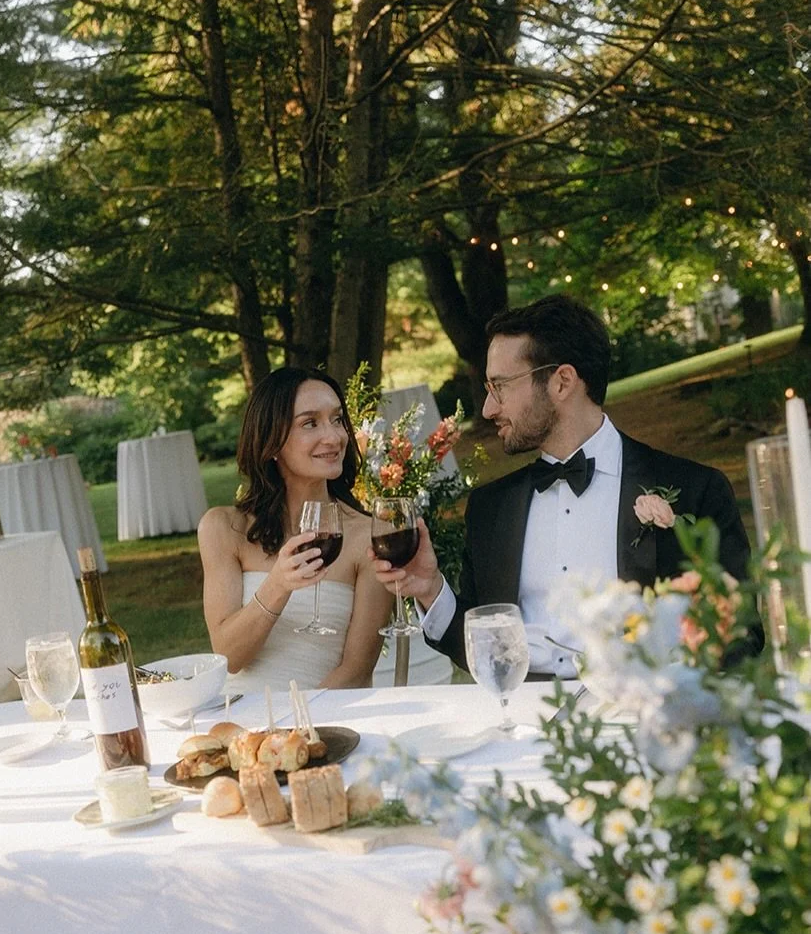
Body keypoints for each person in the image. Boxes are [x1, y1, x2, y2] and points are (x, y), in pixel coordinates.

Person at [371, 295, 761, 676]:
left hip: (645, 715)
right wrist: (429, 590)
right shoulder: (491, 509)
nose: (488, 409)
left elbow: (740, 633)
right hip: (522, 723)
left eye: (500, 386)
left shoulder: (695, 489)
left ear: (562, 382)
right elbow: (481, 651)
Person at [199, 367, 393, 692]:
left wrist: (294, 734)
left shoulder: (372, 535)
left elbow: (356, 672)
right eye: (310, 423)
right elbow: (229, 657)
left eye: (337, 419)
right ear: (271, 440)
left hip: (325, 725)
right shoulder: (224, 528)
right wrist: (278, 585)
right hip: (241, 728)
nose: (334, 437)